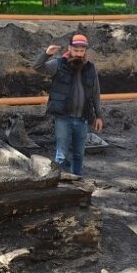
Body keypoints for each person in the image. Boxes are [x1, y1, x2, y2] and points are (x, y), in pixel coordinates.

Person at [33, 34, 103, 176]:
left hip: (82, 118)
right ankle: (59, 182)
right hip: (63, 118)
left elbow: (95, 93)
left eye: (81, 51)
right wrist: (46, 54)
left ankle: (77, 180)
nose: (78, 54)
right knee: (61, 154)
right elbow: (38, 67)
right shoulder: (58, 64)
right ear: (70, 48)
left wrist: (99, 115)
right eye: (76, 50)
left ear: (85, 51)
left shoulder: (90, 68)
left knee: (79, 154)